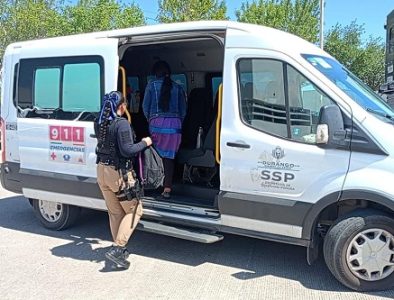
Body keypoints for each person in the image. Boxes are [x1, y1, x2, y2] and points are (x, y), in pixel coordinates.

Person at [95, 91, 152, 269]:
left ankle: (119, 250)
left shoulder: (100, 123)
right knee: (135, 209)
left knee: (115, 213)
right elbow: (128, 150)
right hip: (117, 174)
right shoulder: (122, 124)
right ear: (122, 106)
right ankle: (118, 249)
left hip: (101, 171)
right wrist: (145, 142)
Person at [143, 60, 187, 199]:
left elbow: (145, 107)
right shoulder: (178, 88)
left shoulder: (151, 85)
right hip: (175, 126)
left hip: (156, 124)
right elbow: (183, 111)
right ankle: (167, 188)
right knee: (169, 158)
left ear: (155, 73)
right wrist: (177, 122)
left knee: (156, 155)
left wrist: (151, 120)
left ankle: (154, 183)